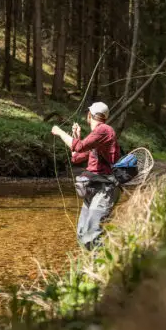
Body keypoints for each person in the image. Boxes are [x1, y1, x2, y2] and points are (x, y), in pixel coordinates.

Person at [51, 101, 122, 250]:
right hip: (93, 189)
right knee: (82, 234)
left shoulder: (104, 130)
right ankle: (90, 268)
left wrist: (59, 132)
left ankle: (104, 270)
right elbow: (76, 157)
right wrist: (76, 135)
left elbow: (78, 146)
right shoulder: (98, 135)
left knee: (93, 234)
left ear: (89, 115)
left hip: (104, 190)